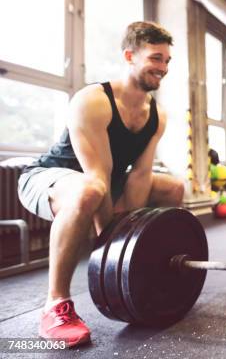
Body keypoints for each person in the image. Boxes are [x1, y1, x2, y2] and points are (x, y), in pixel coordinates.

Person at [17, 21, 184, 347]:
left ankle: (146, 269)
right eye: (155, 58)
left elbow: (140, 175)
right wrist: (110, 254)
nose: (162, 68)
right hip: (48, 177)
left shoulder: (156, 115)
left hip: (104, 180)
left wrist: (131, 257)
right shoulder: (93, 100)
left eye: (166, 61)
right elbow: (98, 176)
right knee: (90, 191)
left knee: (173, 188)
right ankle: (55, 306)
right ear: (129, 56)